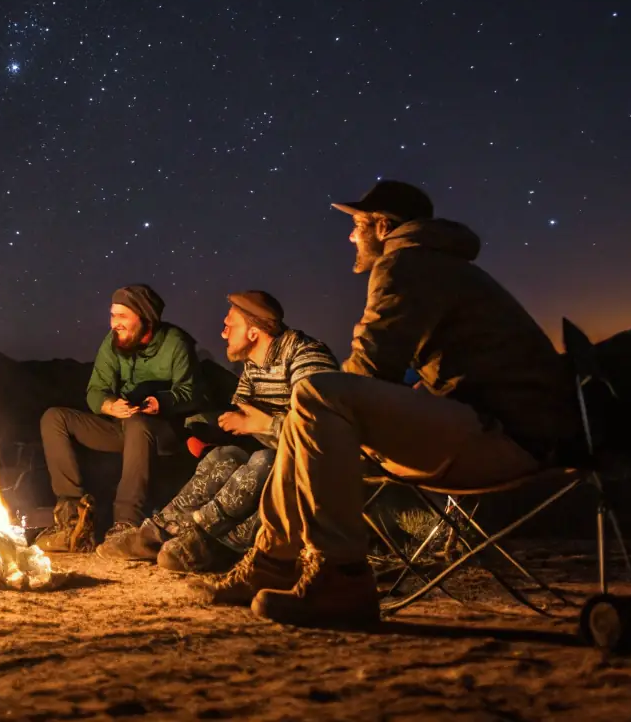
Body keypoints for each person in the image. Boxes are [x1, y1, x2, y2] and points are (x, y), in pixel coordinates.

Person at [204, 180, 581, 628]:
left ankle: (340, 578)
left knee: (317, 395)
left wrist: (332, 421)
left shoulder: (406, 264)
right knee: (310, 413)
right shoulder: (436, 266)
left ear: (382, 226)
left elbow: (368, 370)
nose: (349, 237)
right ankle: (270, 559)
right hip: (507, 430)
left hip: (506, 438)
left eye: (356, 226)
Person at [97, 291, 339, 573]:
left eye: (229, 326)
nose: (223, 333)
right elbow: (240, 416)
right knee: (226, 455)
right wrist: (206, 427)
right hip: (276, 454)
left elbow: (325, 429)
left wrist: (263, 425)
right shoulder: (253, 367)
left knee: (264, 460)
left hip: (317, 470)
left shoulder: (306, 356)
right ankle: (156, 533)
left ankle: (215, 544)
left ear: (252, 332)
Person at [35, 285, 198, 553]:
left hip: (163, 432)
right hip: (123, 424)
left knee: (137, 424)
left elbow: (190, 392)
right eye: (113, 315)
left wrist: (161, 402)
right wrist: (109, 405)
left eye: (123, 316)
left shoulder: (175, 343)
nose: (115, 324)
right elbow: (95, 390)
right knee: (54, 418)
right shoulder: (112, 342)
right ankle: (73, 520)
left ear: (145, 318)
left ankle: (125, 523)